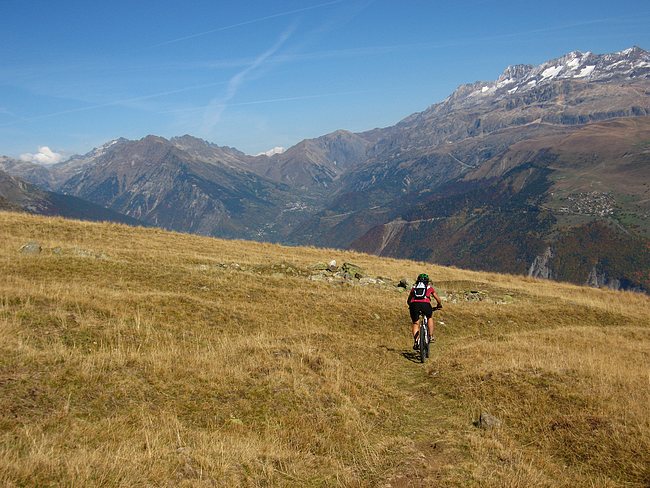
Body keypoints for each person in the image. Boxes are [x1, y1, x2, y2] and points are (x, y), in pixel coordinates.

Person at [407, 273, 442, 350]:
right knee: (429, 317)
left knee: (416, 323)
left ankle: (416, 341)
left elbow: (408, 300)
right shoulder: (429, 288)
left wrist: (411, 306)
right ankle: (431, 336)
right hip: (425, 305)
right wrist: (439, 305)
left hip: (414, 305)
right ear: (427, 281)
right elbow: (437, 299)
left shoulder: (414, 288)